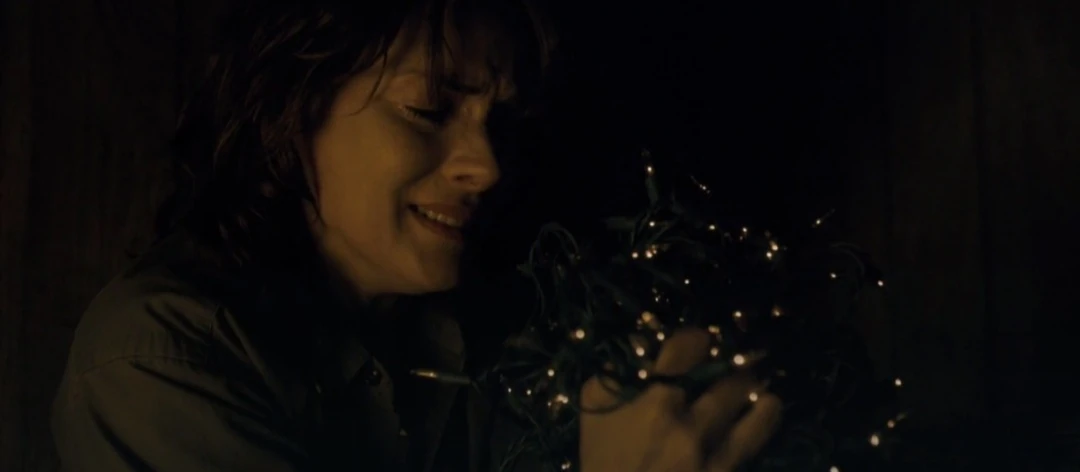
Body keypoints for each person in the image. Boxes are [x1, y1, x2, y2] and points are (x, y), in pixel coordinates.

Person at [50, 0, 782, 470]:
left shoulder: (490, 332)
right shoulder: (160, 363)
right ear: (290, 107)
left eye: (499, 122)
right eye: (428, 110)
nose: (486, 167)